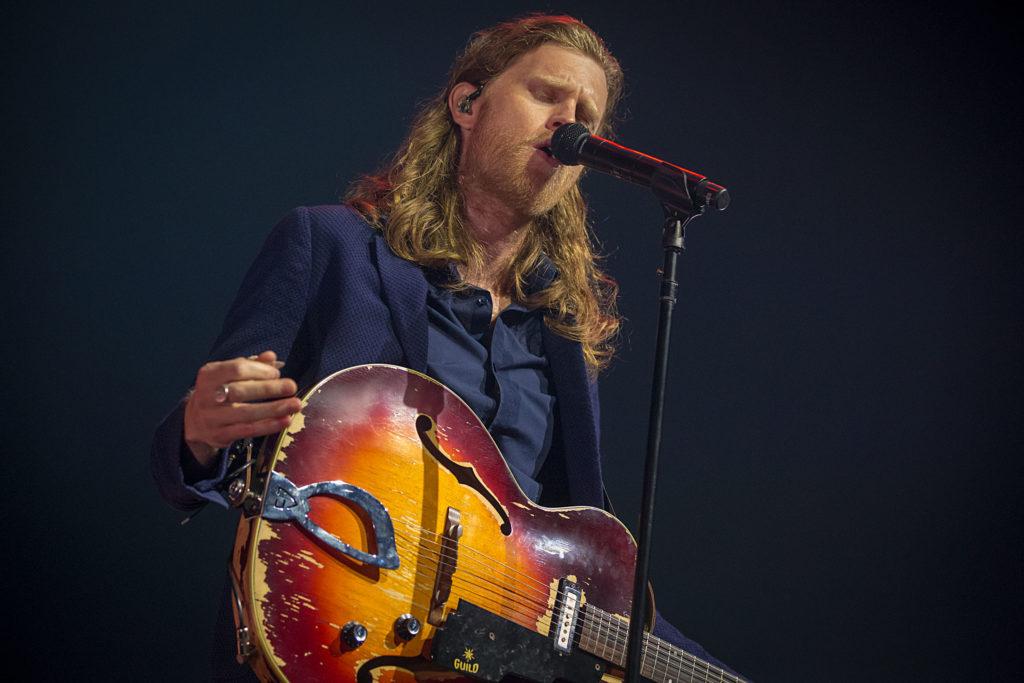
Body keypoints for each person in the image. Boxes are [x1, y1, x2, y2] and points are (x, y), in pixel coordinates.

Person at [152, 14, 741, 681]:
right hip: (334, 649)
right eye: (547, 94)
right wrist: (199, 431)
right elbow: (204, 458)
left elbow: (569, 562)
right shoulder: (329, 246)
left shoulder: (559, 330)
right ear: (467, 104)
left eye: (586, 115)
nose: (569, 124)